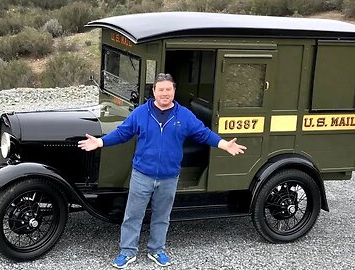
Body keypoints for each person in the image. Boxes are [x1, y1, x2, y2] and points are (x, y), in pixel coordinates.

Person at [78, 73, 247, 269]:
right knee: (133, 215)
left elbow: (203, 133)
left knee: (161, 216)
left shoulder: (184, 115)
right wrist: (100, 141)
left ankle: (156, 250)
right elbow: (123, 133)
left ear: (174, 91)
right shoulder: (141, 113)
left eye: (169, 89)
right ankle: (127, 251)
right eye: (161, 90)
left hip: (169, 177)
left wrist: (224, 144)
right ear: (154, 92)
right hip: (142, 175)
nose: (165, 93)